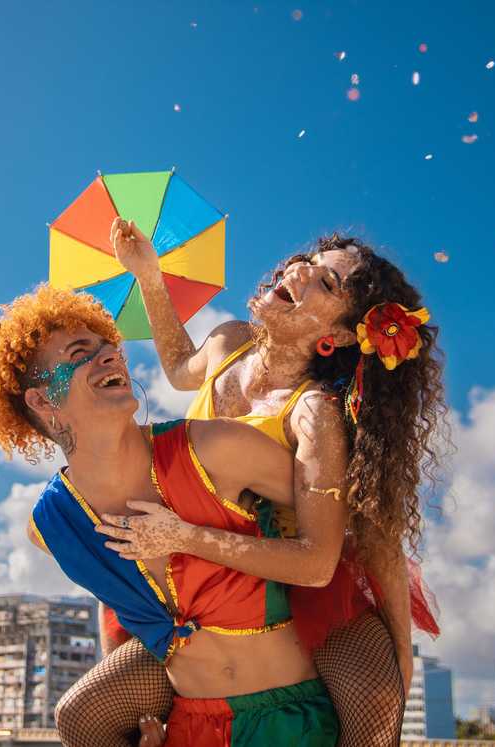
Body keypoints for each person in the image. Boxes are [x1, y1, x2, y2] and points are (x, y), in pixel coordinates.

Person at [52, 222, 446, 747]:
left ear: (338, 338)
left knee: (374, 711)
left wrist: (401, 653)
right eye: (311, 259)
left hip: (290, 585)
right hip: (192, 581)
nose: (298, 268)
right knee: (79, 716)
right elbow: (175, 367)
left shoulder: (313, 415)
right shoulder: (230, 341)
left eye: (328, 284)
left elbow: (341, 551)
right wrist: (148, 275)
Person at [0, 285, 349, 747]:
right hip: (187, 729)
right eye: (81, 352)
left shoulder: (215, 450)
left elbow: (339, 524)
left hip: (288, 723)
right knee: (74, 716)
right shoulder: (53, 526)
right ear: (43, 401)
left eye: (110, 348)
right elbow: (114, 597)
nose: (111, 357)